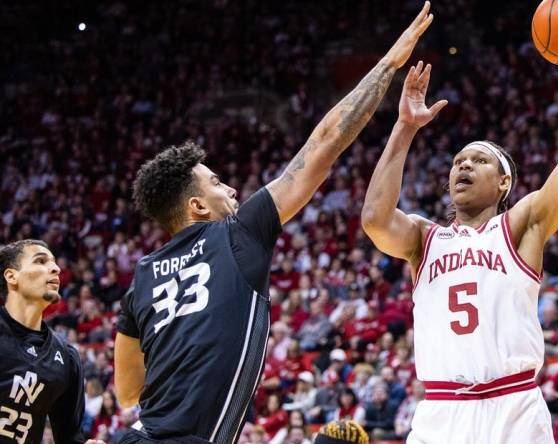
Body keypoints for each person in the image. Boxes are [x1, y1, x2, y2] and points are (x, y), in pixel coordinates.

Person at [112, 4, 436, 442]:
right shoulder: (237, 233)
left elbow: (127, 389)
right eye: (217, 183)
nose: (230, 190)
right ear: (197, 207)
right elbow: (324, 141)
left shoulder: (142, 277)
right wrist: (387, 64)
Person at [360, 6, 558, 443]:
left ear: (504, 181)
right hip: (441, 412)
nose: (463, 166)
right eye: (458, 160)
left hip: (513, 408)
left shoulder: (523, 224)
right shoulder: (425, 240)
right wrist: (405, 127)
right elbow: (375, 219)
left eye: (478, 160)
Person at [0, 240, 103, 444]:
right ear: (12, 276)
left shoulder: (66, 357)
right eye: (40, 261)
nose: (55, 268)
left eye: (54, 263)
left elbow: (70, 438)